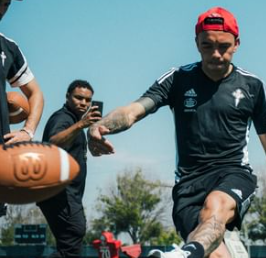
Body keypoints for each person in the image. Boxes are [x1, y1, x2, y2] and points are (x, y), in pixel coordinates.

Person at [87, 7, 266, 258]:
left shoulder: (252, 86)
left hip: (233, 173)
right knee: (211, 251)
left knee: (216, 205)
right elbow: (133, 111)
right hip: (188, 184)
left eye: (224, 46)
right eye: (207, 46)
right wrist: (99, 126)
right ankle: (187, 253)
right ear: (196, 43)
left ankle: (180, 255)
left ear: (237, 44)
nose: (216, 54)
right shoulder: (178, 79)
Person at [37, 79, 102, 258]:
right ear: (67, 97)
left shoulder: (73, 122)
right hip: (60, 192)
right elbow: (51, 144)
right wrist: (81, 125)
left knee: (70, 245)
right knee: (74, 235)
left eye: (88, 100)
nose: (83, 103)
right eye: (78, 98)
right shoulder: (63, 118)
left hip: (68, 194)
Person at [0, 0, 44, 215]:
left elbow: (35, 93)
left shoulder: (7, 48)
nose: (1, 9)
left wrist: (28, 130)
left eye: (6, 4)